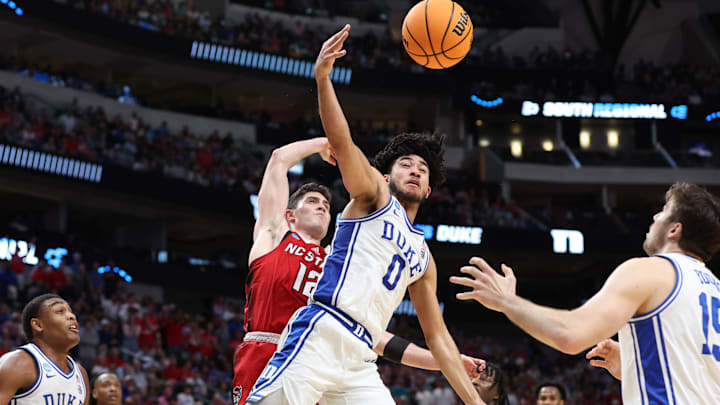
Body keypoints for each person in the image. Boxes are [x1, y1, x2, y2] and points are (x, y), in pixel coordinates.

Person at [248, 24, 484, 405]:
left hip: (361, 357)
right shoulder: (374, 196)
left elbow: (438, 339)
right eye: (406, 164)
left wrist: (473, 401)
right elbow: (342, 143)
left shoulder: (424, 259)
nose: (415, 170)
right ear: (388, 175)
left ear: (428, 190)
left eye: (422, 170)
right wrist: (323, 79)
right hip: (322, 330)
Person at [234, 138, 486, 404]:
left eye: (327, 205)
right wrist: (324, 142)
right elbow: (278, 159)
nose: (322, 205)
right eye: (311, 201)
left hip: (325, 359)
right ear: (290, 216)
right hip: (269, 350)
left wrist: (446, 363)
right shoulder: (274, 238)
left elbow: (376, 337)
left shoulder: (338, 264)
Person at [451, 182, 720, 403]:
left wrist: (506, 300)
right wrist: (633, 366)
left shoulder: (650, 271)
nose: (654, 217)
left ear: (675, 229)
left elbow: (569, 335)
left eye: (663, 211)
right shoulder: (713, 287)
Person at [0, 293, 90, 405]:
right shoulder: (18, 362)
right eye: (60, 311)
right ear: (38, 325)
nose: (72, 316)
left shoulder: (80, 374)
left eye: (71, 311)